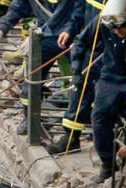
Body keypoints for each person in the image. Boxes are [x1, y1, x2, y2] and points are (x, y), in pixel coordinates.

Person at [0, 0, 77, 135]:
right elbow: (19, 6)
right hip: (45, 35)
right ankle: (30, 117)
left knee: (84, 79)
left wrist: (41, 33)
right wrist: (1, 28)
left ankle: (75, 131)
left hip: (72, 36)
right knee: (32, 76)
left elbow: (68, 15)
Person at [74, 0, 126, 184]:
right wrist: (76, 69)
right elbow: (81, 40)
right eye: (115, 29)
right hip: (110, 77)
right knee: (99, 118)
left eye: (121, 28)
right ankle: (108, 164)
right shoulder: (103, 21)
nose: (118, 32)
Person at [45, 0, 105, 155]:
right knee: (81, 91)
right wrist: (70, 30)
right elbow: (79, 13)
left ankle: (109, 150)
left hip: (109, 51)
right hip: (91, 49)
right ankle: (71, 138)